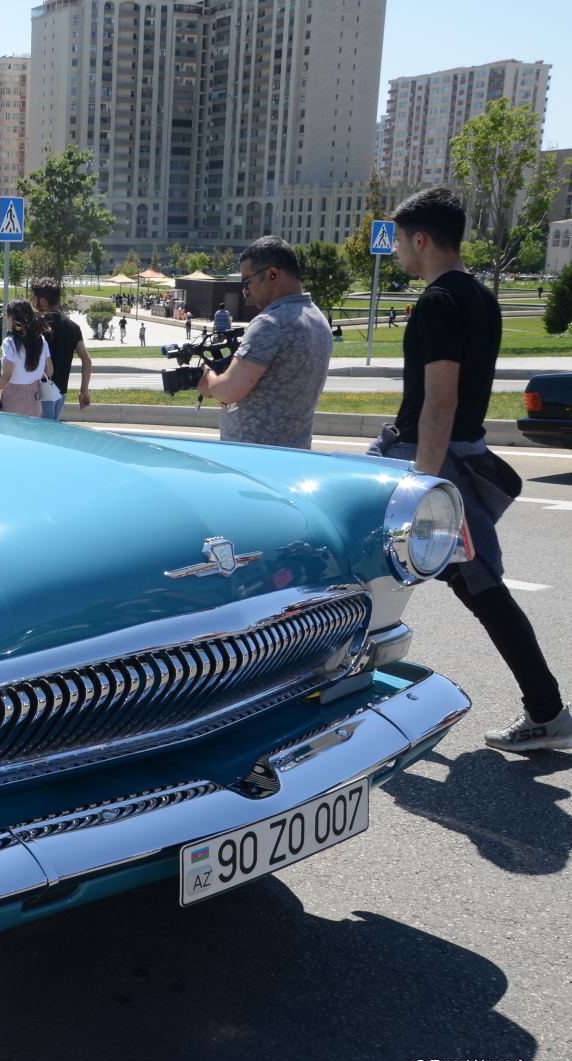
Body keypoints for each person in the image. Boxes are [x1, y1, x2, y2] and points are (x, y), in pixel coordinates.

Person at [372, 186, 568, 752]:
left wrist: (422, 487)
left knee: (480, 587)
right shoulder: (482, 297)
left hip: (436, 462)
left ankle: (546, 709)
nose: (400, 254)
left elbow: (440, 402)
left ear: (421, 238)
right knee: (394, 572)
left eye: (403, 241)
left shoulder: (438, 302)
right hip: (459, 454)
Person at [198, 235, 333, 449]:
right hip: (295, 451)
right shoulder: (318, 319)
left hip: (255, 459)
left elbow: (230, 390)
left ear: (272, 274)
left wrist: (208, 379)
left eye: (247, 282)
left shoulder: (270, 323)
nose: (245, 292)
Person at [30, 279, 91, 420]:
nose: (33, 303)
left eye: (34, 298)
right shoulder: (73, 327)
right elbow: (86, 360)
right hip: (60, 393)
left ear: (43, 301)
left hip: (37, 393)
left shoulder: (35, 326)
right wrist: (84, 391)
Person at [0, 299, 47, 417]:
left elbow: (6, 377)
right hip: (35, 396)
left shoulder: (9, 343)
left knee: (11, 433)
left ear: (12, 318)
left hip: (14, 396)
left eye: (7, 317)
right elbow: (50, 370)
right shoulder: (41, 340)